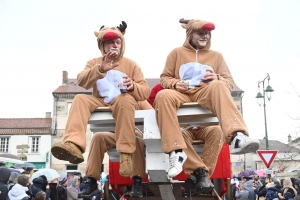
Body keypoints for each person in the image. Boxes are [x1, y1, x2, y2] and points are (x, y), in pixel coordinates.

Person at [154, 18, 260, 192]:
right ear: (190, 34)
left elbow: (229, 81)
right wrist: (174, 84)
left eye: (207, 33)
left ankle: (236, 136)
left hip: (205, 93)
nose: (205, 35)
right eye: (200, 32)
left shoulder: (216, 56)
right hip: (182, 95)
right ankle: (177, 152)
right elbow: (165, 78)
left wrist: (218, 78)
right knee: (163, 95)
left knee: (218, 90)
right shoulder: (176, 53)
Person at [51, 21, 150, 177]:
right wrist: (100, 69)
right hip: (101, 102)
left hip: (124, 103)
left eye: (118, 42)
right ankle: (73, 144)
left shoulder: (131, 65)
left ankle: (126, 154)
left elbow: (145, 92)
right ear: (102, 46)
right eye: (110, 42)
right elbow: (82, 81)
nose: (114, 45)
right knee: (80, 99)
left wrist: (133, 86)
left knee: (123, 99)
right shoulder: (94, 62)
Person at [79, 101, 152, 198]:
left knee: (136, 136)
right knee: (98, 137)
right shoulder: (112, 99)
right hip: (117, 135)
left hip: (136, 134)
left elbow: (152, 116)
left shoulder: (140, 101)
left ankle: (137, 181)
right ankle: (91, 181)